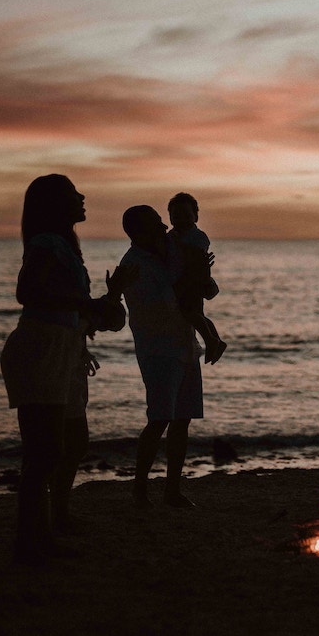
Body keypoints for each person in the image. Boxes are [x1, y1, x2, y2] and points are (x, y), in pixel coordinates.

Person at [0, 174, 130, 565]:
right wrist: (85, 304)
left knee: (59, 447)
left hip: (61, 349)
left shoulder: (64, 246)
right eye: (74, 193)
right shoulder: (45, 244)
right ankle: (30, 543)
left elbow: (68, 304)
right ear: (56, 204)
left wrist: (101, 305)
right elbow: (27, 292)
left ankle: (43, 534)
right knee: (43, 453)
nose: (83, 197)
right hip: (41, 349)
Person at [119, 205, 204, 509]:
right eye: (156, 224)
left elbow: (195, 260)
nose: (164, 227)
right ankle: (139, 488)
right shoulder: (133, 265)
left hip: (184, 343)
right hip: (158, 349)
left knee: (182, 420)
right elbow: (169, 301)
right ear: (139, 232)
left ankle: (172, 490)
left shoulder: (169, 248)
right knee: (159, 419)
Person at [166, 192, 227, 365]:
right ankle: (215, 340)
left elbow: (196, 256)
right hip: (178, 281)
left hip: (192, 281)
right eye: (176, 216)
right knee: (197, 315)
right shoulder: (171, 237)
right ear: (170, 218)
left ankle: (211, 340)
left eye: (186, 215)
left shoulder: (198, 236)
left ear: (196, 216)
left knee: (191, 313)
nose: (181, 220)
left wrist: (178, 244)